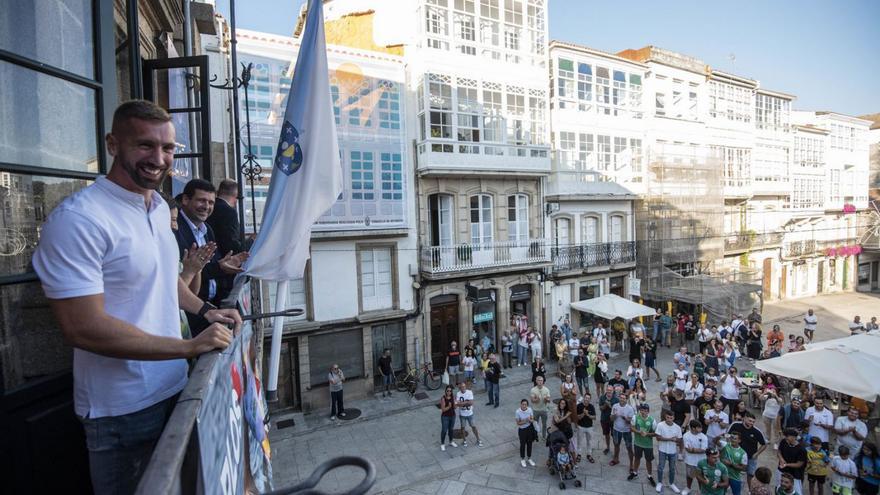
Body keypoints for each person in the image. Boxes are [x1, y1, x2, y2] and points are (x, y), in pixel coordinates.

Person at [31, 100, 241, 495]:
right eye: (144, 145)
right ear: (113, 143)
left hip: (174, 391)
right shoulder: (80, 219)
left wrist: (207, 310)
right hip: (121, 410)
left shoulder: (158, 207)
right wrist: (187, 345)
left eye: (167, 148)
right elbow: (83, 328)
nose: (158, 158)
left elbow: (164, 280)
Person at [175, 179, 248, 321]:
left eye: (211, 202)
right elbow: (184, 273)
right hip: (189, 312)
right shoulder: (175, 228)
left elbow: (209, 266)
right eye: (201, 201)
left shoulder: (207, 229)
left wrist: (225, 264)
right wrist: (219, 268)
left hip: (211, 308)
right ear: (185, 199)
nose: (206, 206)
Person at [729, 412, 769, 488]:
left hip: (751, 458)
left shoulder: (757, 431)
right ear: (744, 418)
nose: (751, 423)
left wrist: (757, 454)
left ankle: (750, 490)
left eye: (753, 422)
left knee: (750, 474)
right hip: (735, 455)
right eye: (750, 421)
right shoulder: (735, 425)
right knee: (732, 471)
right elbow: (727, 436)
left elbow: (764, 444)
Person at [656, 409, 684, 493]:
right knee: (661, 467)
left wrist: (676, 440)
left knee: (672, 468)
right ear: (665, 417)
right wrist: (670, 439)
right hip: (662, 449)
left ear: (673, 418)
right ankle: (659, 482)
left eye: (671, 418)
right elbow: (658, 437)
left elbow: (680, 439)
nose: (669, 419)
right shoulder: (660, 425)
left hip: (672, 451)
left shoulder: (677, 427)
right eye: (667, 417)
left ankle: (671, 483)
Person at [631, 403, 658, 487]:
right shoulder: (635, 417)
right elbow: (631, 428)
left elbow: (656, 433)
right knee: (637, 458)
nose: (643, 412)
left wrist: (647, 434)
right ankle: (635, 473)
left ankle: (649, 475)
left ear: (648, 411)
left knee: (648, 461)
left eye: (645, 410)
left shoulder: (652, 420)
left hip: (648, 445)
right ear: (640, 410)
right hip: (637, 443)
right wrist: (639, 432)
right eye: (642, 410)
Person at [611, 391, 636, 478]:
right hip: (616, 430)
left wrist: (625, 418)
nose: (622, 399)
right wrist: (614, 415)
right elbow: (611, 418)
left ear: (626, 399)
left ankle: (631, 465)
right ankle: (616, 459)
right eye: (621, 398)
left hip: (626, 431)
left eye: (624, 398)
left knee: (629, 447)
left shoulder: (630, 408)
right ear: (619, 398)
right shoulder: (615, 406)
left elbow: (632, 421)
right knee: (616, 445)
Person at [778, 427, 808, 495]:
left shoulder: (801, 449)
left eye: (787, 436)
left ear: (794, 437)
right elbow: (779, 452)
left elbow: (799, 464)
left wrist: (786, 464)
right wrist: (781, 459)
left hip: (795, 475)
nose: (785, 438)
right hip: (782, 471)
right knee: (780, 490)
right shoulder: (784, 442)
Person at [683, 420, 709, 495]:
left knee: (700, 477)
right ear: (693, 428)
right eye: (699, 428)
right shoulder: (686, 436)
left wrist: (693, 449)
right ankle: (688, 488)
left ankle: (702, 491)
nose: (701, 429)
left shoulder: (703, 437)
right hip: (690, 460)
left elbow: (704, 450)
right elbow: (688, 450)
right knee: (689, 475)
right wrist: (697, 450)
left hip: (700, 462)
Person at [721, 430, 749, 495]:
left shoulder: (743, 453)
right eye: (732, 438)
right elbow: (715, 441)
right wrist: (722, 435)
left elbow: (743, 468)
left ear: (739, 440)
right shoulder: (725, 445)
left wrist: (731, 464)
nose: (733, 440)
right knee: (721, 493)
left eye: (735, 439)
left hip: (735, 477)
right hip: (724, 475)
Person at [455, 381, 482, 447]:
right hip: (462, 414)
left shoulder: (469, 392)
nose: (463, 388)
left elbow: (471, 403)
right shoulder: (458, 394)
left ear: (465, 387)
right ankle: (464, 441)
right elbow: (457, 404)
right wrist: (466, 402)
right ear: (459, 388)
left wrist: (462, 403)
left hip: (470, 414)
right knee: (463, 428)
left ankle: (478, 439)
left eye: (464, 386)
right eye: (461, 387)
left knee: (473, 426)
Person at [516, 399, 537, 467]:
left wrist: (530, 420)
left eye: (525, 404)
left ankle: (529, 458)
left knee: (529, 444)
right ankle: (522, 459)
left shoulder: (530, 409)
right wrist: (525, 420)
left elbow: (532, 419)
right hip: (522, 430)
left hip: (529, 428)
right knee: (522, 444)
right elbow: (518, 423)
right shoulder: (518, 412)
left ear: (527, 405)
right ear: (521, 404)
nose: (524, 406)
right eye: (523, 404)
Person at [577, 393, 597, 464]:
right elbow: (577, 417)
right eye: (586, 398)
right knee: (579, 441)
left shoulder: (591, 406)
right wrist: (583, 413)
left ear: (590, 399)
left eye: (588, 398)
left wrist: (588, 414)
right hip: (581, 426)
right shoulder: (579, 406)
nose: (587, 399)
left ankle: (589, 454)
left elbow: (594, 417)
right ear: (584, 398)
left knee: (590, 442)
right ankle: (579, 454)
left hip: (589, 427)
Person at [599, 387, 618, 456]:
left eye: (610, 390)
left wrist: (609, 405)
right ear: (606, 390)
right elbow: (601, 408)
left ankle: (616, 448)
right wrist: (605, 404)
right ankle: (608, 447)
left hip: (613, 421)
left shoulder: (616, 399)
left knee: (614, 435)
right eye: (607, 390)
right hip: (604, 419)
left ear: (613, 391)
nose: (609, 391)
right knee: (606, 434)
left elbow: (617, 410)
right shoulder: (602, 397)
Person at [439, 385, 457, 451]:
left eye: (450, 391)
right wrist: (449, 407)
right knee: (444, 430)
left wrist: (455, 405)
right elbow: (443, 409)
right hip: (445, 417)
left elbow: (455, 407)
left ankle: (451, 441)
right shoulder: (443, 398)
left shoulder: (453, 397)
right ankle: (442, 444)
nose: (449, 392)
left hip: (452, 416)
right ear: (445, 391)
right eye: (448, 391)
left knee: (451, 429)